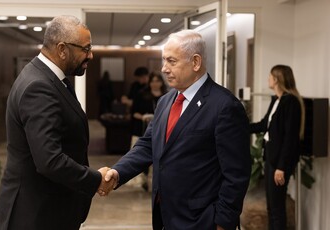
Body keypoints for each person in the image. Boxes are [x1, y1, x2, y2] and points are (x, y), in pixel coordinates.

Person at [103, 30, 251, 230]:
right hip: (165, 216)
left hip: (202, 220)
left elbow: (236, 174)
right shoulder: (166, 101)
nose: (164, 69)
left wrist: (223, 222)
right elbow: (148, 145)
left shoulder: (224, 106)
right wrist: (118, 172)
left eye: (172, 61)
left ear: (196, 62)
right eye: (164, 61)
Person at [0, 15, 114, 230]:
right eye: (86, 49)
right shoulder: (39, 87)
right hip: (35, 215)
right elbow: (49, 160)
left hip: (47, 210)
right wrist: (95, 180)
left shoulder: (48, 78)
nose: (91, 55)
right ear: (62, 49)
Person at [249, 65, 305, 230]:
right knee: (271, 207)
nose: (268, 79)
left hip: (280, 163)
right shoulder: (276, 100)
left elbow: (290, 138)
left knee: (278, 209)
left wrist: (281, 167)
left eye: (270, 76)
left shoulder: (291, 102)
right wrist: (240, 126)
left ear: (277, 79)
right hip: (271, 158)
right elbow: (263, 124)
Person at [130, 71, 167, 191]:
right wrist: (145, 117)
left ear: (161, 82)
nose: (155, 84)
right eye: (153, 81)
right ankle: (143, 181)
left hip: (161, 132)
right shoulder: (142, 95)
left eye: (158, 81)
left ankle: (155, 182)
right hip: (142, 129)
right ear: (149, 83)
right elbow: (133, 112)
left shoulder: (167, 96)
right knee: (141, 156)